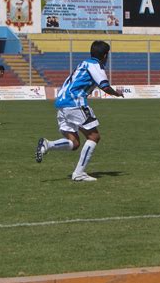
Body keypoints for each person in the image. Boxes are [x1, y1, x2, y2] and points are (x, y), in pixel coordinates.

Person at [35, 40, 124, 182]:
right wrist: (117, 93)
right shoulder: (96, 65)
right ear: (105, 55)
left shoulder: (83, 63)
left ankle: (48, 144)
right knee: (94, 137)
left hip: (62, 104)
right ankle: (79, 173)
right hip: (74, 102)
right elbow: (104, 86)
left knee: (74, 143)